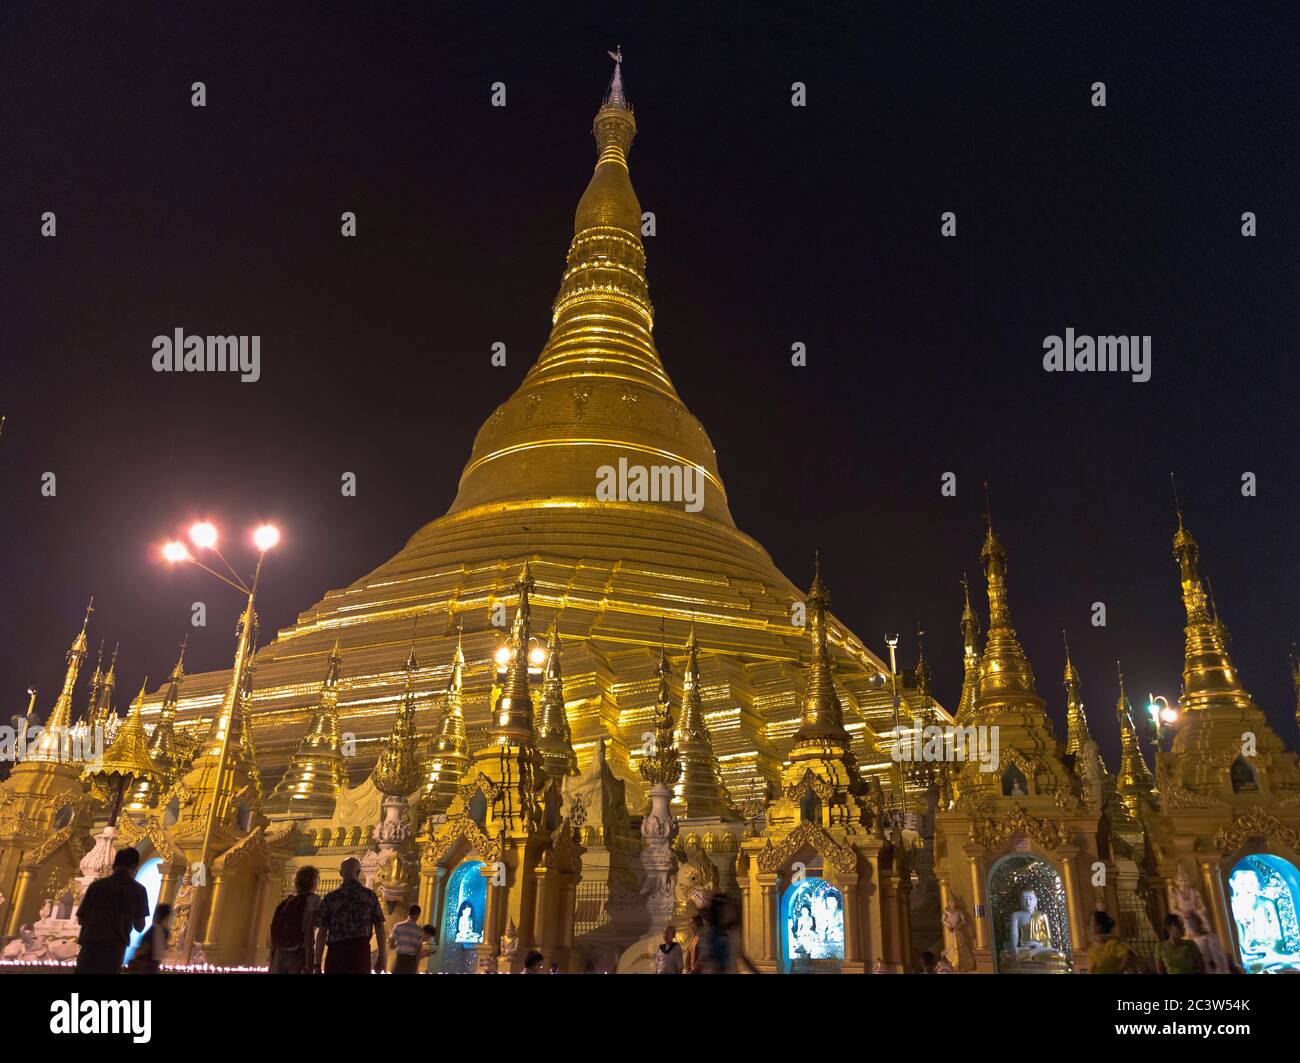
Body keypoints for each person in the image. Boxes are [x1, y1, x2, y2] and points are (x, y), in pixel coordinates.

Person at [75, 847, 149, 974]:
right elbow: (140, 926)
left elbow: (81, 919)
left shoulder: (96, 886)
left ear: (114, 866)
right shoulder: (138, 890)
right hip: (114, 949)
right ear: (134, 867)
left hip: (90, 945)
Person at [312, 858, 386, 974]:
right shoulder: (369, 896)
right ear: (358, 872)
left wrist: (317, 964)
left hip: (336, 954)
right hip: (360, 954)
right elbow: (380, 928)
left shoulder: (331, 898)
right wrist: (382, 958)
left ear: (341, 873)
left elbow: (322, 932)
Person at [268, 865, 321, 974]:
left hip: (279, 951)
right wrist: (310, 962)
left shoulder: (288, 901)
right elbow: (309, 932)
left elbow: (273, 927)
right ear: (313, 881)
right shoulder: (313, 900)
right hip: (297, 952)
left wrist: (271, 955)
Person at [127, 903, 172, 974]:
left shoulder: (153, 930)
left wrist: (135, 957)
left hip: (146, 965)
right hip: (155, 965)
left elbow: (144, 949)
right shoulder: (166, 932)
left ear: (157, 914)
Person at [388, 904, 424, 974]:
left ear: (408, 913)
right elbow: (418, 950)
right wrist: (416, 967)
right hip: (411, 962)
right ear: (417, 915)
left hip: (400, 960)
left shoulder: (398, 926)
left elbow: (391, 946)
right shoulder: (419, 930)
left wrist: (398, 943)